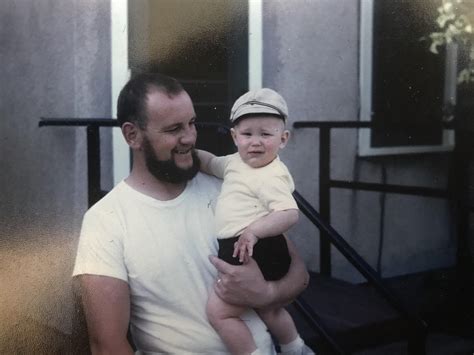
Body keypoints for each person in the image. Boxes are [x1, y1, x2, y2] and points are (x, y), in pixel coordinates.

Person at [72, 73, 310, 354]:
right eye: (174, 129)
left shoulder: (229, 185)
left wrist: (267, 294)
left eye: (192, 123)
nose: (189, 137)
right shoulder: (106, 219)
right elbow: (107, 345)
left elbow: (299, 274)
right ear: (132, 135)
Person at [197, 88, 304, 355]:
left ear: (283, 139)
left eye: (265, 134)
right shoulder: (235, 163)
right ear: (235, 137)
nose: (255, 142)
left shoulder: (272, 175)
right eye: (247, 134)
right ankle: (295, 348)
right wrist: (190, 153)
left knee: (219, 312)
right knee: (268, 308)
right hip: (248, 246)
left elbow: (289, 213)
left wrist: (254, 232)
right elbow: (211, 164)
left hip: (254, 247)